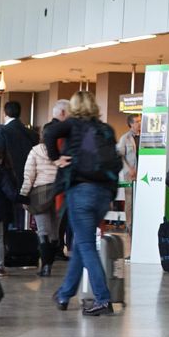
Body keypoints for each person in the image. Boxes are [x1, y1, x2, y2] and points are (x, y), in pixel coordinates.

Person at [52, 90, 121, 315]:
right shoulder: (106, 130)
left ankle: (102, 299)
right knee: (83, 245)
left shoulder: (72, 125)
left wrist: (56, 158)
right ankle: (64, 294)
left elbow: (50, 132)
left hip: (81, 191)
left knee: (86, 246)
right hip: (103, 193)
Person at [19, 129, 62, 276]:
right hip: (58, 193)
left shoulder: (35, 151)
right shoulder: (61, 151)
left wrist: (24, 195)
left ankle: (45, 267)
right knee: (54, 232)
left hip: (40, 194)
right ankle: (50, 262)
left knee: (43, 231)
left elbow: (29, 176)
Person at [0, 100, 36, 200]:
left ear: (4, 113)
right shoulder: (32, 133)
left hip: (9, 180)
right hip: (29, 178)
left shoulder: (1, 131)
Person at [117, 114, 140, 234]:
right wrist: (129, 168)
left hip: (143, 174)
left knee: (141, 199)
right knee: (130, 200)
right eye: (136, 122)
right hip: (130, 174)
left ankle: (140, 222)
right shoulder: (125, 138)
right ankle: (129, 224)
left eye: (140, 121)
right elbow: (120, 156)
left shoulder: (145, 137)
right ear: (131, 124)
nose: (139, 124)